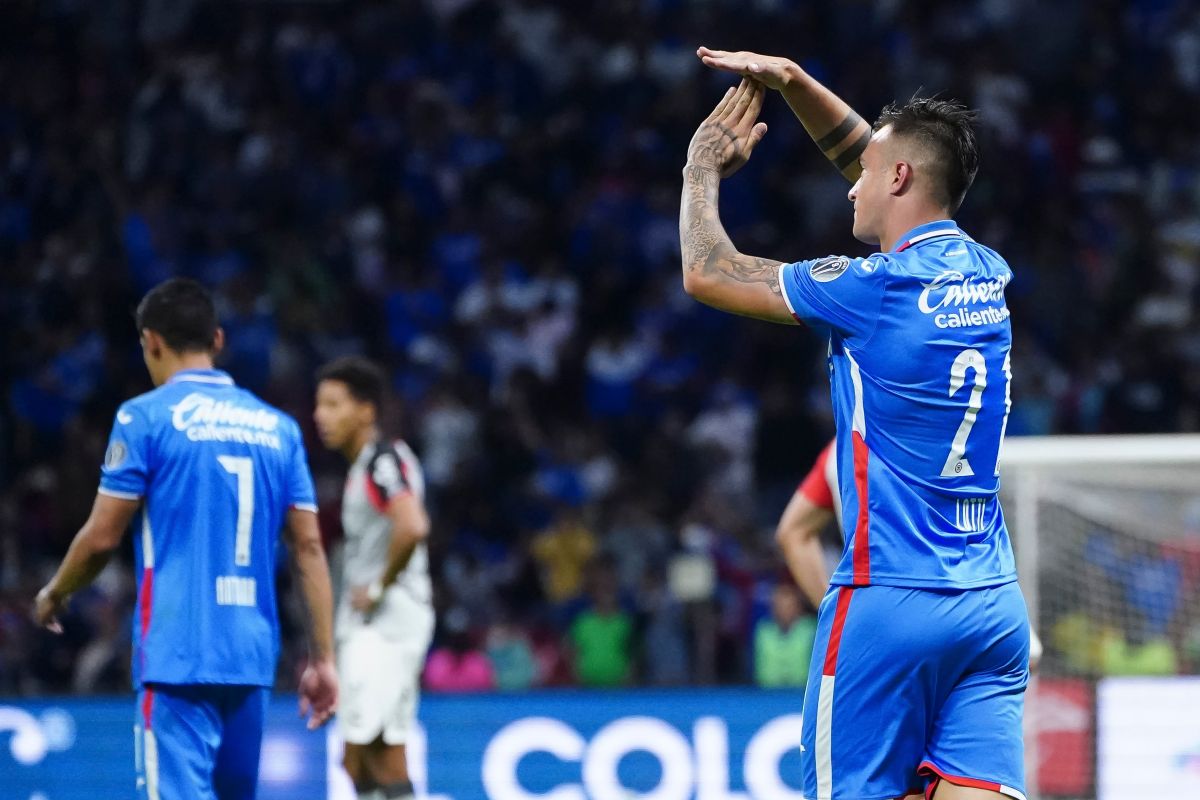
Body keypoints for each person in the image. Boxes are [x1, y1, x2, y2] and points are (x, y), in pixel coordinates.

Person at [680, 50, 1030, 799]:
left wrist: (700, 169)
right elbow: (877, 164)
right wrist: (796, 84)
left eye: (867, 171)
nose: (851, 188)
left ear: (899, 178)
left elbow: (708, 270)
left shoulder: (871, 289)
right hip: (991, 605)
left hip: (890, 603)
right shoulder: (986, 271)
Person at [33, 277, 337, 800]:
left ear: (150, 340)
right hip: (249, 658)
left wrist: (55, 591)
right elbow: (308, 548)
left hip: (176, 654)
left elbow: (104, 537)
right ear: (217, 340)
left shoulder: (143, 418)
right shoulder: (279, 429)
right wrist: (323, 659)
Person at [775, 440, 1042, 667]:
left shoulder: (840, 451)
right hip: (974, 611)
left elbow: (792, 533)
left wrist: (839, 620)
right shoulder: (949, 428)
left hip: (882, 626)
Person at [314, 356, 434, 800]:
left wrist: (381, 586)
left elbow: (413, 525)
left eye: (332, 404)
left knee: (369, 752)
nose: (320, 416)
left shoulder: (381, 462)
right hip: (381, 625)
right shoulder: (365, 465)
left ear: (365, 411)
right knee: (370, 755)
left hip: (384, 626)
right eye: (319, 405)